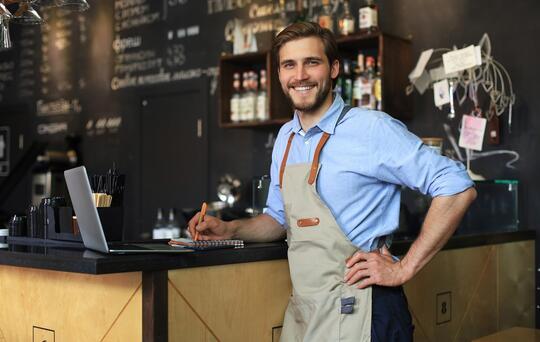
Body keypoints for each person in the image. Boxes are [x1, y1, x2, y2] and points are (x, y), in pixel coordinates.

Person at [189, 22, 476, 341]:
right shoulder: (286, 138)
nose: (300, 75)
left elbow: (456, 184)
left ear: (334, 68)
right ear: (280, 74)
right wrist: (230, 228)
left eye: (311, 62)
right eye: (289, 65)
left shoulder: (370, 129)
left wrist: (403, 268)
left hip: (366, 313)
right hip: (307, 314)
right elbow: (279, 218)